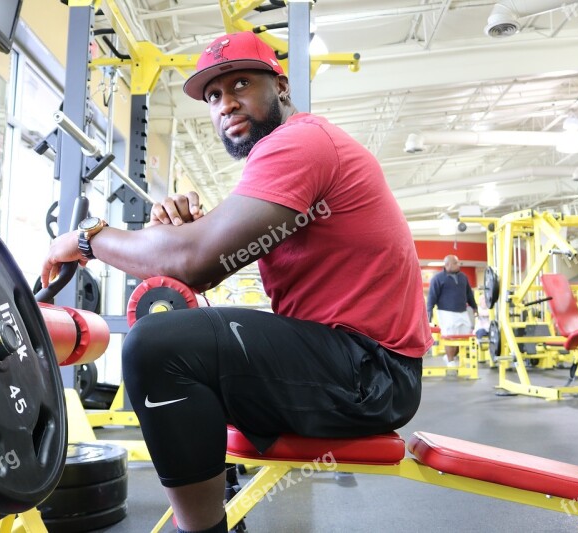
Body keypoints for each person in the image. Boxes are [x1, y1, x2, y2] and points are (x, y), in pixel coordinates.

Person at [41, 31, 432, 533]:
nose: (226, 104)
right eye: (214, 96)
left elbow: (198, 262)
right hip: (355, 365)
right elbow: (195, 254)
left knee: (158, 346)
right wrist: (172, 237)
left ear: (282, 88)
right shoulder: (288, 153)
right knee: (182, 343)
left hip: (370, 374)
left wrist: (89, 238)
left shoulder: (301, 142)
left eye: (241, 83)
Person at [426, 255, 478, 367]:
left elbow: (469, 294)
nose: (458, 265)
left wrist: (475, 307)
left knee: (463, 337)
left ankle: (451, 357)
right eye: (456, 263)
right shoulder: (438, 278)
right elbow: (432, 297)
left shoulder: (463, 277)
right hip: (446, 312)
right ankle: (450, 361)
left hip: (462, 311)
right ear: (447, 264)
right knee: (449, 336)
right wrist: (428, 314)